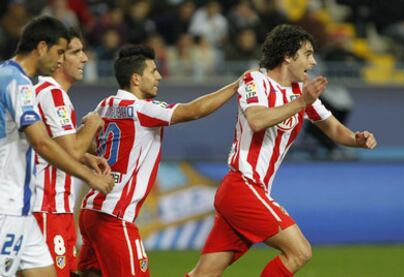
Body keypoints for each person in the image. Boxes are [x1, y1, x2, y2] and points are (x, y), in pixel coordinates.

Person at [186, 24, 377, 277]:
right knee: (300, 251)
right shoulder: (255, 80)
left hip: (251, 192)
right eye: (308, 54)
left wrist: (357, 138)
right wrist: (301, 102)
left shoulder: (300, 92)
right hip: (242, 186)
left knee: (204, 274)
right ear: (288, 55)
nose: (313, 61)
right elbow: (256, 120)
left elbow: (333, 129)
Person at [77, 44, 239, 277]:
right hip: (115, 216)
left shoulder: (105, 105)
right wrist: (234, 86)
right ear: (135, 78)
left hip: (91, 211)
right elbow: (193, 111)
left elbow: (93, 144)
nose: (159, 76)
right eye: (153, 71)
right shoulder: (141, 109)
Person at [0, 16, 114, 277]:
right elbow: (41, 142)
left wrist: (84, 157)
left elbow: (45, 141)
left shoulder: (20, 81)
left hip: (25, 207)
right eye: (60, 51)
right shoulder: (18, 83)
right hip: (12, 204)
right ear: (42, 47)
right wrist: (89, 175)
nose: (61, 59)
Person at [32, 28, 109, 276]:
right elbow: (73, 149)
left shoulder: (49, 94)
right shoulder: (52, 94)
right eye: (76, 52)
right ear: (58, 58)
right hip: (45, 207)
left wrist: (85, 154)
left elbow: (54, 146)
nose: (85, 58)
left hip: (57, 209)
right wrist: (92, 125)